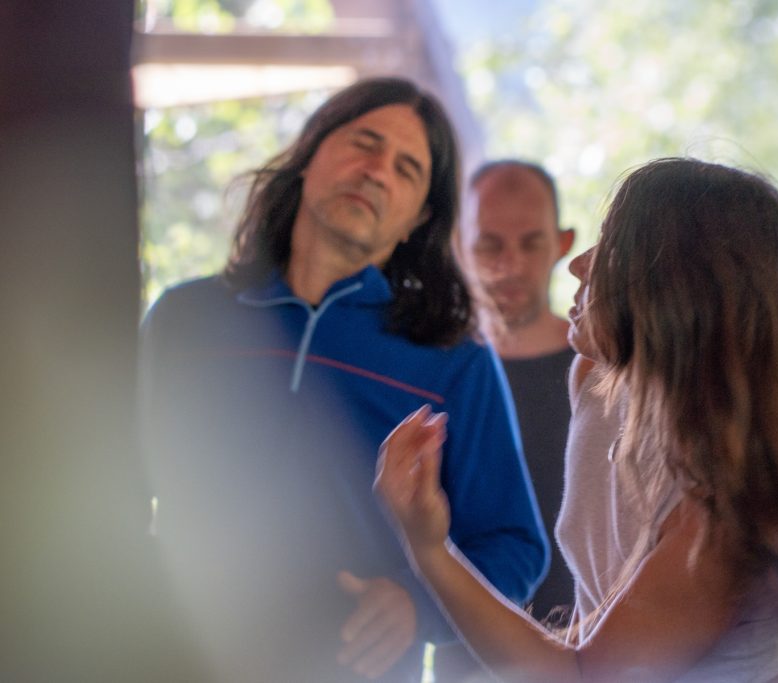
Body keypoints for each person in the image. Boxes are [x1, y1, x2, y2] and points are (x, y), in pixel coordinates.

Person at [139, 77, 548, 683]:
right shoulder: (183, 317)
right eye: (364, 143)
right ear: (309, 154)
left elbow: (514, 546)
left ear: (418, 219)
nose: (377, 172)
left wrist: (417, 604)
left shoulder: (452, 361)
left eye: (407, 169)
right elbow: (106, 491)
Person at [375, 158, 778, 682]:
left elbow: (583, 676)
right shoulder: (598, 382)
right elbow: (596, 630)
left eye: (610, 249)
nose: (579, 265)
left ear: (675, 291)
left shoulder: (723, 508)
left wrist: (429, 547)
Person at [436, 160, 576, 681]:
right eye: (490, 245)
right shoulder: (437, 373)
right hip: (463, 658)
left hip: (590, 651)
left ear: (562, 244)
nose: (510, 265)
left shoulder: (608, 371)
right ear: (458, 244)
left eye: (531, 244)